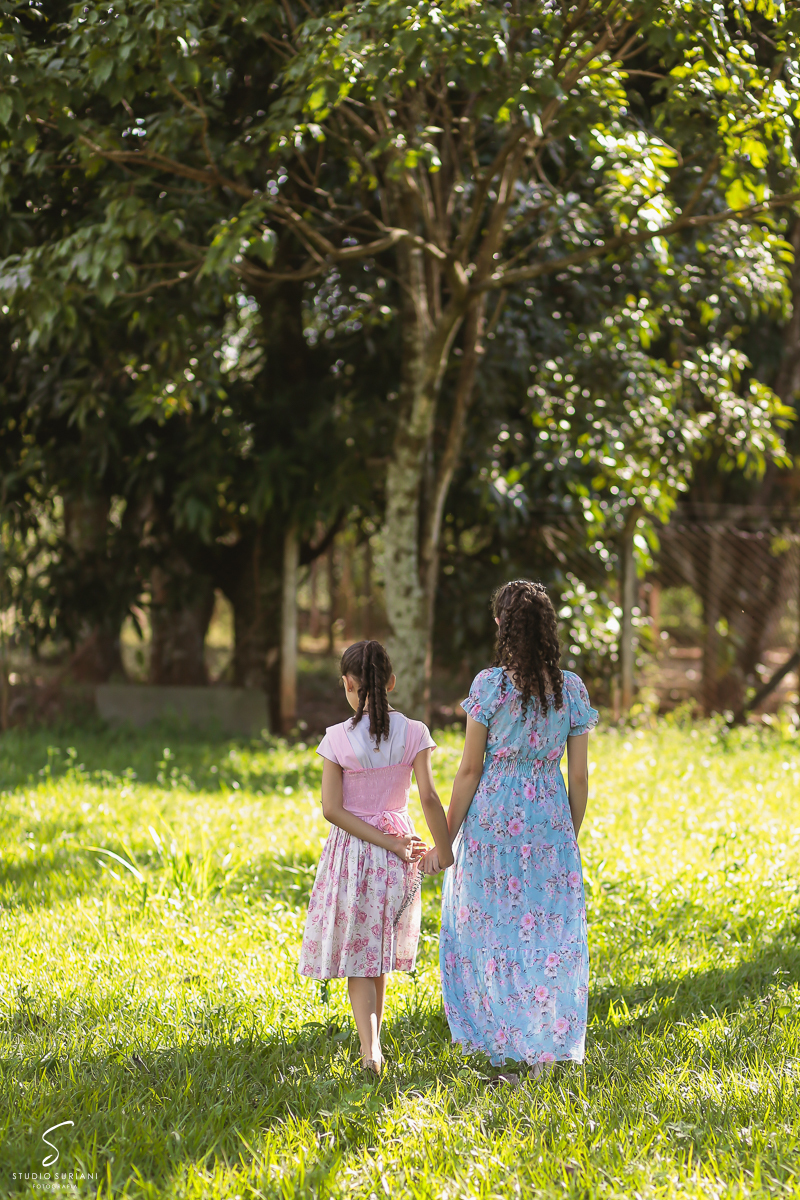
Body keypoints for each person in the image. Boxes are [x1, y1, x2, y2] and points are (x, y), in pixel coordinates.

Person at [435, 580, 598, 1076]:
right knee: (546, 931)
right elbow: (580, 775)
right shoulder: (570, 689)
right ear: (548, 627)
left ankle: (498, 1035)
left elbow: (468, 770)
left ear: (503, 626)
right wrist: (564, 833)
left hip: (493, 821)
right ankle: (543, 1041)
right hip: (548, 819)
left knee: (491, 928)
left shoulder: (490, 686)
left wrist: (446, 837)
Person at [299, 639, 454, 1075]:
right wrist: (443, 851)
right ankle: (374, 1045)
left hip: (355, 853)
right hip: (399, 850)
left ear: (347, 684)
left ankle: (371, 1050)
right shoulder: (416, 733)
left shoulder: (337, 739)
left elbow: (332, 810)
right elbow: (427, 796)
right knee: (378, 951)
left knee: (359, 955)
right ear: (391, 682)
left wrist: (387, 843)